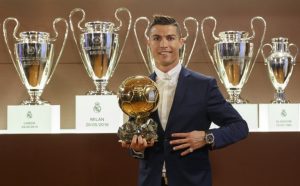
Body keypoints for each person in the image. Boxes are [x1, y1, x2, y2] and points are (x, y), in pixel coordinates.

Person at [120, 15, 249, 186]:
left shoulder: (204, 86)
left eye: (170, 38)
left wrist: (206, 137)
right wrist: (137, 149)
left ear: (181, 42)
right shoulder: (139, 88)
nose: (164, 45)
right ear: (148, 43)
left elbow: (240, 127)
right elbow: (136, 142)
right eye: (157, 38)